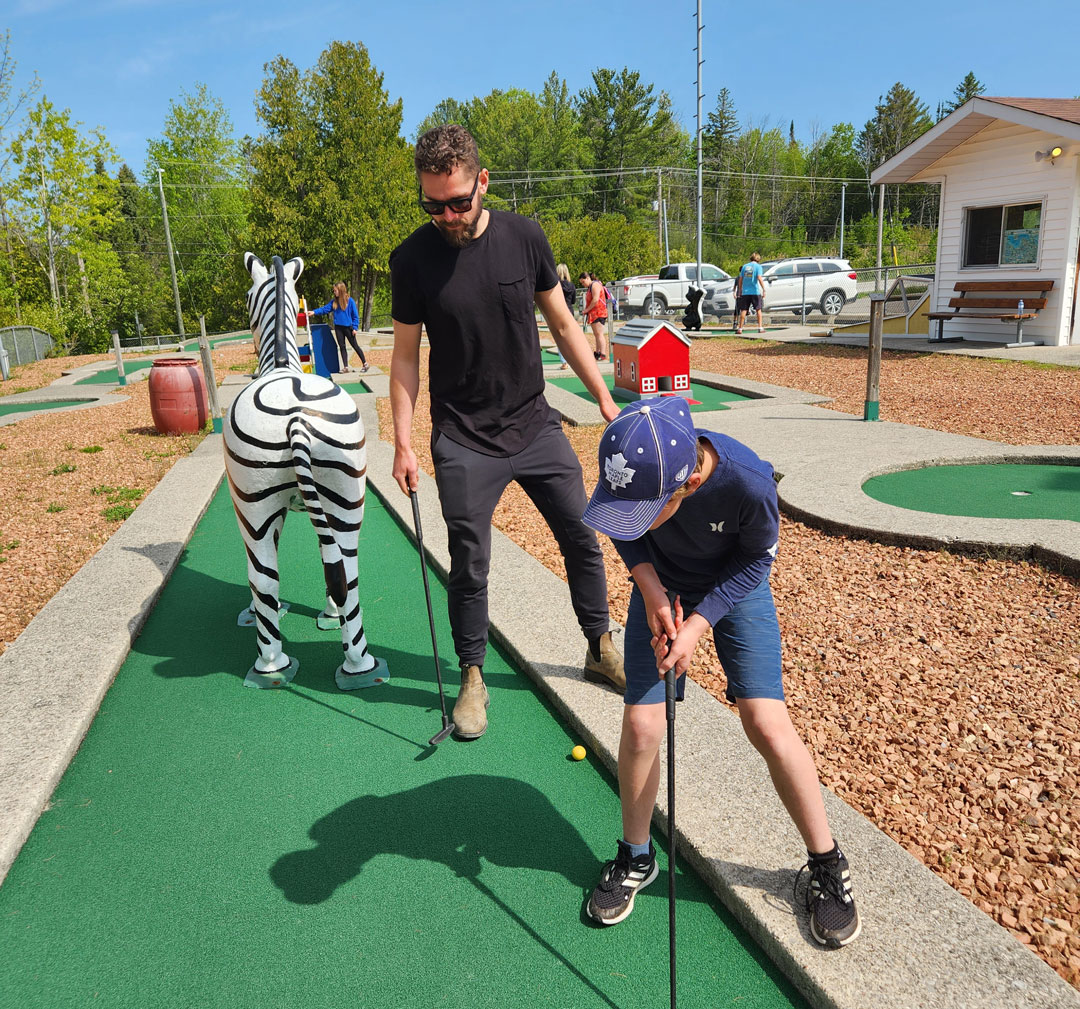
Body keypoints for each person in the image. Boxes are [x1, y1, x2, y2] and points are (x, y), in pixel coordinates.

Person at [580, 395, 860, 949]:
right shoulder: (638, 458)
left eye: (643, 505)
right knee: (641, 727)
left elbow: (758, 560)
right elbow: (623, 522)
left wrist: (699, 624)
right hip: (660, 583)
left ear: (685, 486)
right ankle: (637, 856)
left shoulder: (749, 482)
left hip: (737, 588)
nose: (628, 514)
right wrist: (652, 589)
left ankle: (828, 864)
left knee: (765, 721)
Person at [389, 124, 626, 741]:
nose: (447, 215)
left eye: (458, 202)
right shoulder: (412, 259)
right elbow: (407, 357)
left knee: (582, 534)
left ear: (482, 183)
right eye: (432, 204)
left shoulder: (525, 238)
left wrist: (601, 394)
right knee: (469, 564)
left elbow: (566, 326)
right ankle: (472, 677)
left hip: (534, 424)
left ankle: (600, 647)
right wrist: (405, 442)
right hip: (463, 438)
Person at [313, 283, 368, 373]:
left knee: (355, 346)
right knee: (342, 347)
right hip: (338, 328)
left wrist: (355, 328)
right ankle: (346, 367)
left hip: (348, 328)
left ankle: (365, 364)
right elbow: (324, 309)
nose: (334, 292)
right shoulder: (334, 302)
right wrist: (314, 312)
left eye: (335, 290)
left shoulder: (350, 301)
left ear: (341, 290)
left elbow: (355, 316)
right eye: (334, 291)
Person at [579, 271, 609, 361]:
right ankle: (597, 352)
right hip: (593, 313)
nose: (583, 284)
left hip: (599, 312)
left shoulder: (595, 285)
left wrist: (586, 310)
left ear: (588, 278)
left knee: (599, 334)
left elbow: (595, 299)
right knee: (596, 334)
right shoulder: (590, 287)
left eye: (583, 282)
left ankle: (603, 353)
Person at [735, 252, 766, 334]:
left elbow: (741, 279)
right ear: (758, 259)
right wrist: (764, 289)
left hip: (745, 292)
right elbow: (759, 278)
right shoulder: (758, 267)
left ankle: (740, 328)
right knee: (758, 309)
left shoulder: (745, 266)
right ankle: (760, 327)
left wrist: (740, 289)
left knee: (743, 310)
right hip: (755, 291)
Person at [555, 264, 576, 370]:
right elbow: (573, 301)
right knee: (570, 337)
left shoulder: (556, 285)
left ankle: (564, 362)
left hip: (559, 312)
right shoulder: (572, 285)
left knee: (560, 337)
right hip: (570, 312)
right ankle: (573, 360)